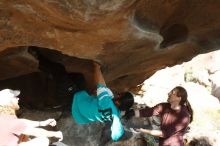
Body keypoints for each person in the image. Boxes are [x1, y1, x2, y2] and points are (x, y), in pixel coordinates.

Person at [71, 62, 134, 141]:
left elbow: (100, 84)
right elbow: (104, 88)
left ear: (118, 100)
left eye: (120, 95)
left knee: (78, 79)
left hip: (78, 106)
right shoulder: (116, 113)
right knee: (93, 92)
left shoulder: (106, 101)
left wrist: (97, 67)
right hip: (82, 118)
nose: (118, 94)